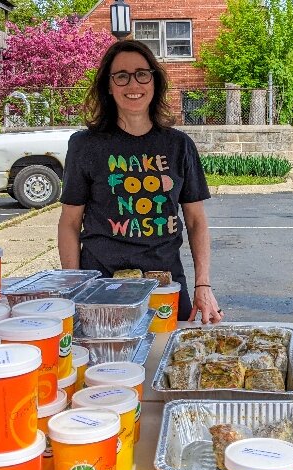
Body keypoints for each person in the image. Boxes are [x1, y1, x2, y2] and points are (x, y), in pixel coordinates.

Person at [57, 40, 223, 324]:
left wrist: (203, 286)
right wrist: (75, 289)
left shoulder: (179, 145)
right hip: (102, 286)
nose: (132, 84)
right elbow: (70, 223)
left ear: (154, 81)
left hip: (165, 285)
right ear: (109, 86)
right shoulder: (85, 146)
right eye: (121, 76)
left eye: (142, 74)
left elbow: (196, 221)